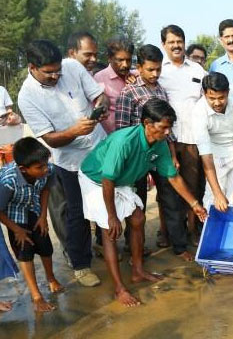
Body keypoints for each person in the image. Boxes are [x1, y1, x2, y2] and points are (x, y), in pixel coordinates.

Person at [79, 98, 207, 307]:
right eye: (163, 127)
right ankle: (119, 289)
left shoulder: (160, 143)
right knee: (109, 232)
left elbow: (173, 177)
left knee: (138, 218)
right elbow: (107, 179)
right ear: (147, 123)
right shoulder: (124, 142)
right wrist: (112, 216)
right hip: (97, 179)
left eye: (170, 128)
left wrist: (194, 204)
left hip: (120, 180)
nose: (167, 133)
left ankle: (138, 271)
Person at [18, 39, 108, 287]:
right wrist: (75, 131)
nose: (57, 75)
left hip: (101, 149)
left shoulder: (72, 67)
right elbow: (50, 139)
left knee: (108, 202)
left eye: (58, 70)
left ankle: (107, 246)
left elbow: (99, 95)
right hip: (70, 161)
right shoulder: (27, 97)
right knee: (77, 214)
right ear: (33, 67)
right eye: (49, 73)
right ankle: (81, 266)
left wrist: (102, 106)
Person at [115, 44, 190, 259]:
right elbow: (122, 130)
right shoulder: (128, 93)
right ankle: (133, 247)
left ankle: (180, 247)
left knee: (171, 200)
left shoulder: (160, 90)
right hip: (136, 157)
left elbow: (168, 129)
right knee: (136, 203)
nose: (155, 74)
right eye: (150, 70)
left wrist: (173, 155)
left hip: (161, 153)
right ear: (139, 67)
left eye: (158, 69)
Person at [0, 137, 64, 312]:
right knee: (24, 251)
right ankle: (36, 296)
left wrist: (43, 215)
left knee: (45, 244)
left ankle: (51, 279)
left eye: (45, 164)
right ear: (23, 169)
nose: (45, 169)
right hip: (13, 215)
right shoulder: (8, 181)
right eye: (39, 168)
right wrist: (16, 230)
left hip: (34, 209)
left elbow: (45, 189)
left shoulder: (47, 169)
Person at [159, 25, 207, 246]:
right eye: (171, 42)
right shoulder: (159, 71)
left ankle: (192, 231)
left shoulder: (197, 70)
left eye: (179, 41)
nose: (176, 45)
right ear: (164, 45)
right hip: (165, 139)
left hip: (192, 138)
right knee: (166, 188)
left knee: (192, 185)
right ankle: (166, 233)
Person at [193, 72, 233, 211]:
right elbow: (207, 158)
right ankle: (210, 227)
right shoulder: (199, 112)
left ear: (228, 92)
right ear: (204, 93)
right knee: (214, 196)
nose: (217, 103)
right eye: (212, 98)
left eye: (221, 98)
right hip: (215, 150)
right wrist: (218, 194)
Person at [94, 36, 136, 134]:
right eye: (120, 60)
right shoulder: (99, 79)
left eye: (128, 60)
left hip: (136, 137)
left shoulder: (137, 76)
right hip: (111, 138)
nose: (125, 65)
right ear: (109, 58)